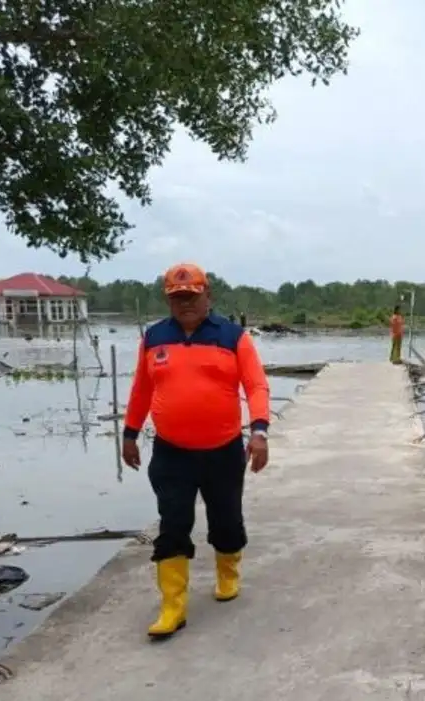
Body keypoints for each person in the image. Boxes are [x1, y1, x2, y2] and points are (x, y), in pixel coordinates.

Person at [121, 262, 271, 640]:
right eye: (177, 298)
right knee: (172, 523)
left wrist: (259, 432)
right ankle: (173, 606)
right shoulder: (154, 338)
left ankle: (227, 573)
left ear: (208, 296)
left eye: (192, 296)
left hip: (222, 451)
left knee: (227, 522)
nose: (185, 304)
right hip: (171, 453)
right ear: (169, 301)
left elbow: (256, 386)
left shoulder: (234, 337)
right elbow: (141, 390)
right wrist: (130, 433)